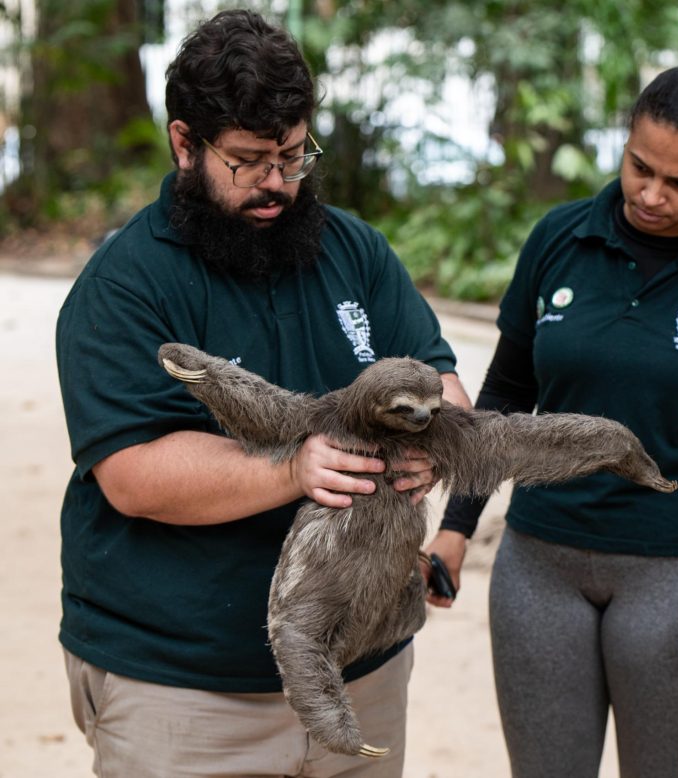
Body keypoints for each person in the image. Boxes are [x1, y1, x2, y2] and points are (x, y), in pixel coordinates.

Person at [55, 9, 471, 777]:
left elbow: (442, 382)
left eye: (293, 153)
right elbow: (133, 473)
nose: (278, 182)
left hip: (362, 672)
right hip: (184, 692)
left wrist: (429, 441)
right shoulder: (125, 286)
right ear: (186, 144)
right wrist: (291, 469)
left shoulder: (356, 251)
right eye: (248, 160)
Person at [425, 63, 678, 778]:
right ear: (626, 142)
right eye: (640, 167)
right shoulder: (560, 237)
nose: (652, 194)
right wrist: (454, 528)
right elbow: (507, 392)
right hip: (540, 567)